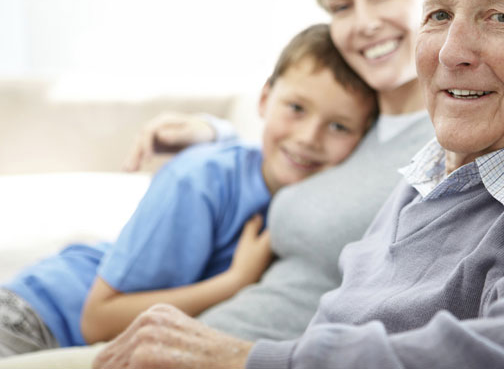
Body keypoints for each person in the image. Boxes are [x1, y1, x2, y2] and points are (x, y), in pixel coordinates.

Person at [1, 0, 504, 367]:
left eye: (498, 15)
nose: (453, 51)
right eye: (440, 14)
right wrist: (220, 137)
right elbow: (293, 147)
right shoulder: (417, 148)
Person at [0, 23, 377, 356]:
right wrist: (234, 283)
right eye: (296, 108)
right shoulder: (199, 179)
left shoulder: (317, 201)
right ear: (264, 100)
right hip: (33, 316)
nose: (308, 137)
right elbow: (97, 319)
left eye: (339, 127)